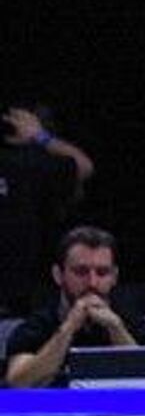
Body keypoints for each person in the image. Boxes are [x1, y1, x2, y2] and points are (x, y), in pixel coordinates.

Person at [5, 226, 145, 389]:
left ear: (114, 277)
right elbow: (18, 383)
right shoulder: (35, 327)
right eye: (81, 272)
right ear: (58, 275)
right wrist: (68, 328)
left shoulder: (133, 325)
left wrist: (116, 329)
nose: (92, 283)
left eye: (102, 272)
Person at [0, 104, 95, 316]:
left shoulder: (32, 164)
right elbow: (84, 166)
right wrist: (41, 136)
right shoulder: (30, 163)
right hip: (23, 290)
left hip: (21, 291)